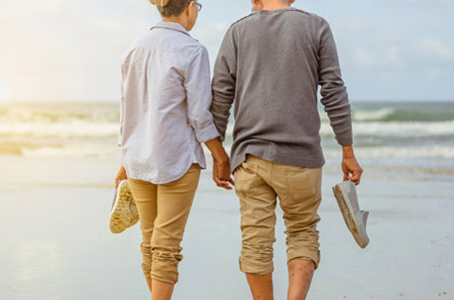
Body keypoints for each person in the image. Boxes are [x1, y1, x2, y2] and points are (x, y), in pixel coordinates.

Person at [209, 0, 364, 299]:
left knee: (255, 240)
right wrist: (347, 151)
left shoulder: (237, 31)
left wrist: (218, 154)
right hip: (301, 157)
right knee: (302, 232)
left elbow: (220, 95)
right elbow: (333, 90)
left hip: (250, 158)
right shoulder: (316, 26)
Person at [113, 0, 232, 299]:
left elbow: (128, 111)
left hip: (137, 157)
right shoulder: (192, 50)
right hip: (176, 158)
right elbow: (199, 115)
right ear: (190, 7)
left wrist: (124, 161)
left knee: (150, 241)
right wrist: (219, 155)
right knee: (165, 246)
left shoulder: (134, 47)